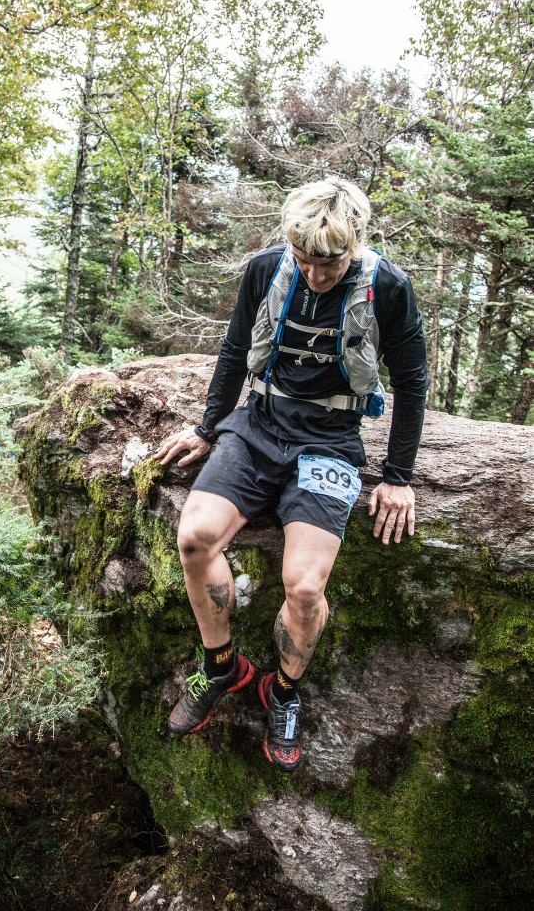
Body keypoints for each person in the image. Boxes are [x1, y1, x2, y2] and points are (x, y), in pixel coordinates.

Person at [154, 176, 428, 772]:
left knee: (304, 587)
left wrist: (397, 475)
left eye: (328, 264)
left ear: (353, 245)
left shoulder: (387, 286)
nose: (314, 275)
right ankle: (221, 666)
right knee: (194, 536)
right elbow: (233, 350)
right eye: (303, 261)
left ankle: (283, 690)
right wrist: (207, 428)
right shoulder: (266, 269)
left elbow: (411, 381)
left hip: (330, 441)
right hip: (258, 424)